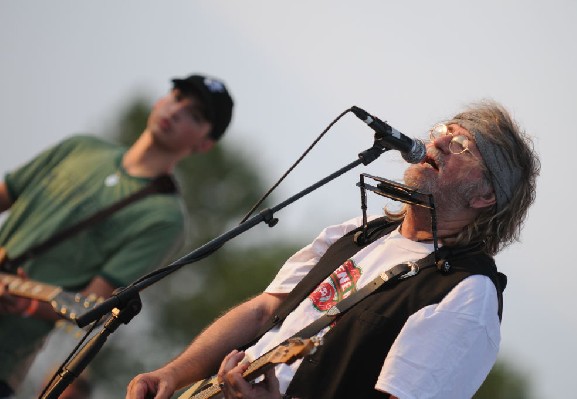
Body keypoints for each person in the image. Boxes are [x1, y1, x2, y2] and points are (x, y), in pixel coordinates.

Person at [126, 100, 540, 399]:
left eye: (462, 147)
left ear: (486, 195)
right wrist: (173, 374)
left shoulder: (466, 295)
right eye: (441, 134)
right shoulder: (359, 232)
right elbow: (263, 310)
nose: (435, 146)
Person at [0, 73, 234, 398]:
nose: (177, 111)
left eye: (195, 115)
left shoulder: (164, 218)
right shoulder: (80, 147)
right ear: (160, 101)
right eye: (177, 97)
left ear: (204, 144)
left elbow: (91, 305)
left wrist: (23, 305)